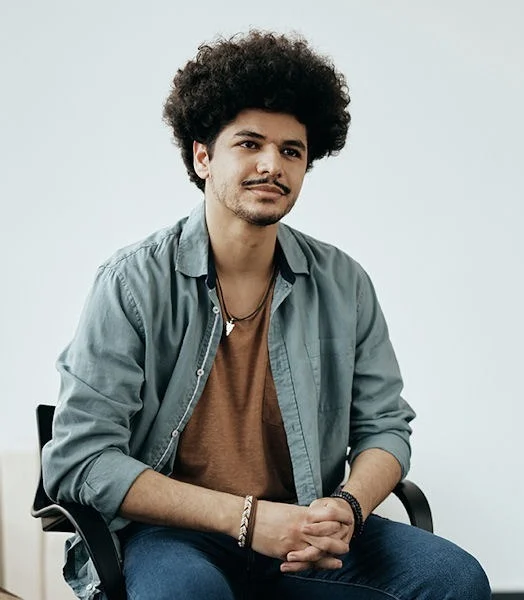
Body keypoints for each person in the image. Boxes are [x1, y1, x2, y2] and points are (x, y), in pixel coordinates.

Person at [41, 30, 490, 600]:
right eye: (249, 144)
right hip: (175, 535)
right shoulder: (132, 282)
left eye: (291, 151)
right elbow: (81, 459)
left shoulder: (343, 284)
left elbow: (384, 427)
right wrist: (248, 519)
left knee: (456, 580)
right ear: (202, 155)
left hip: (300, 533)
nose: (271, 165)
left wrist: (348, 507)